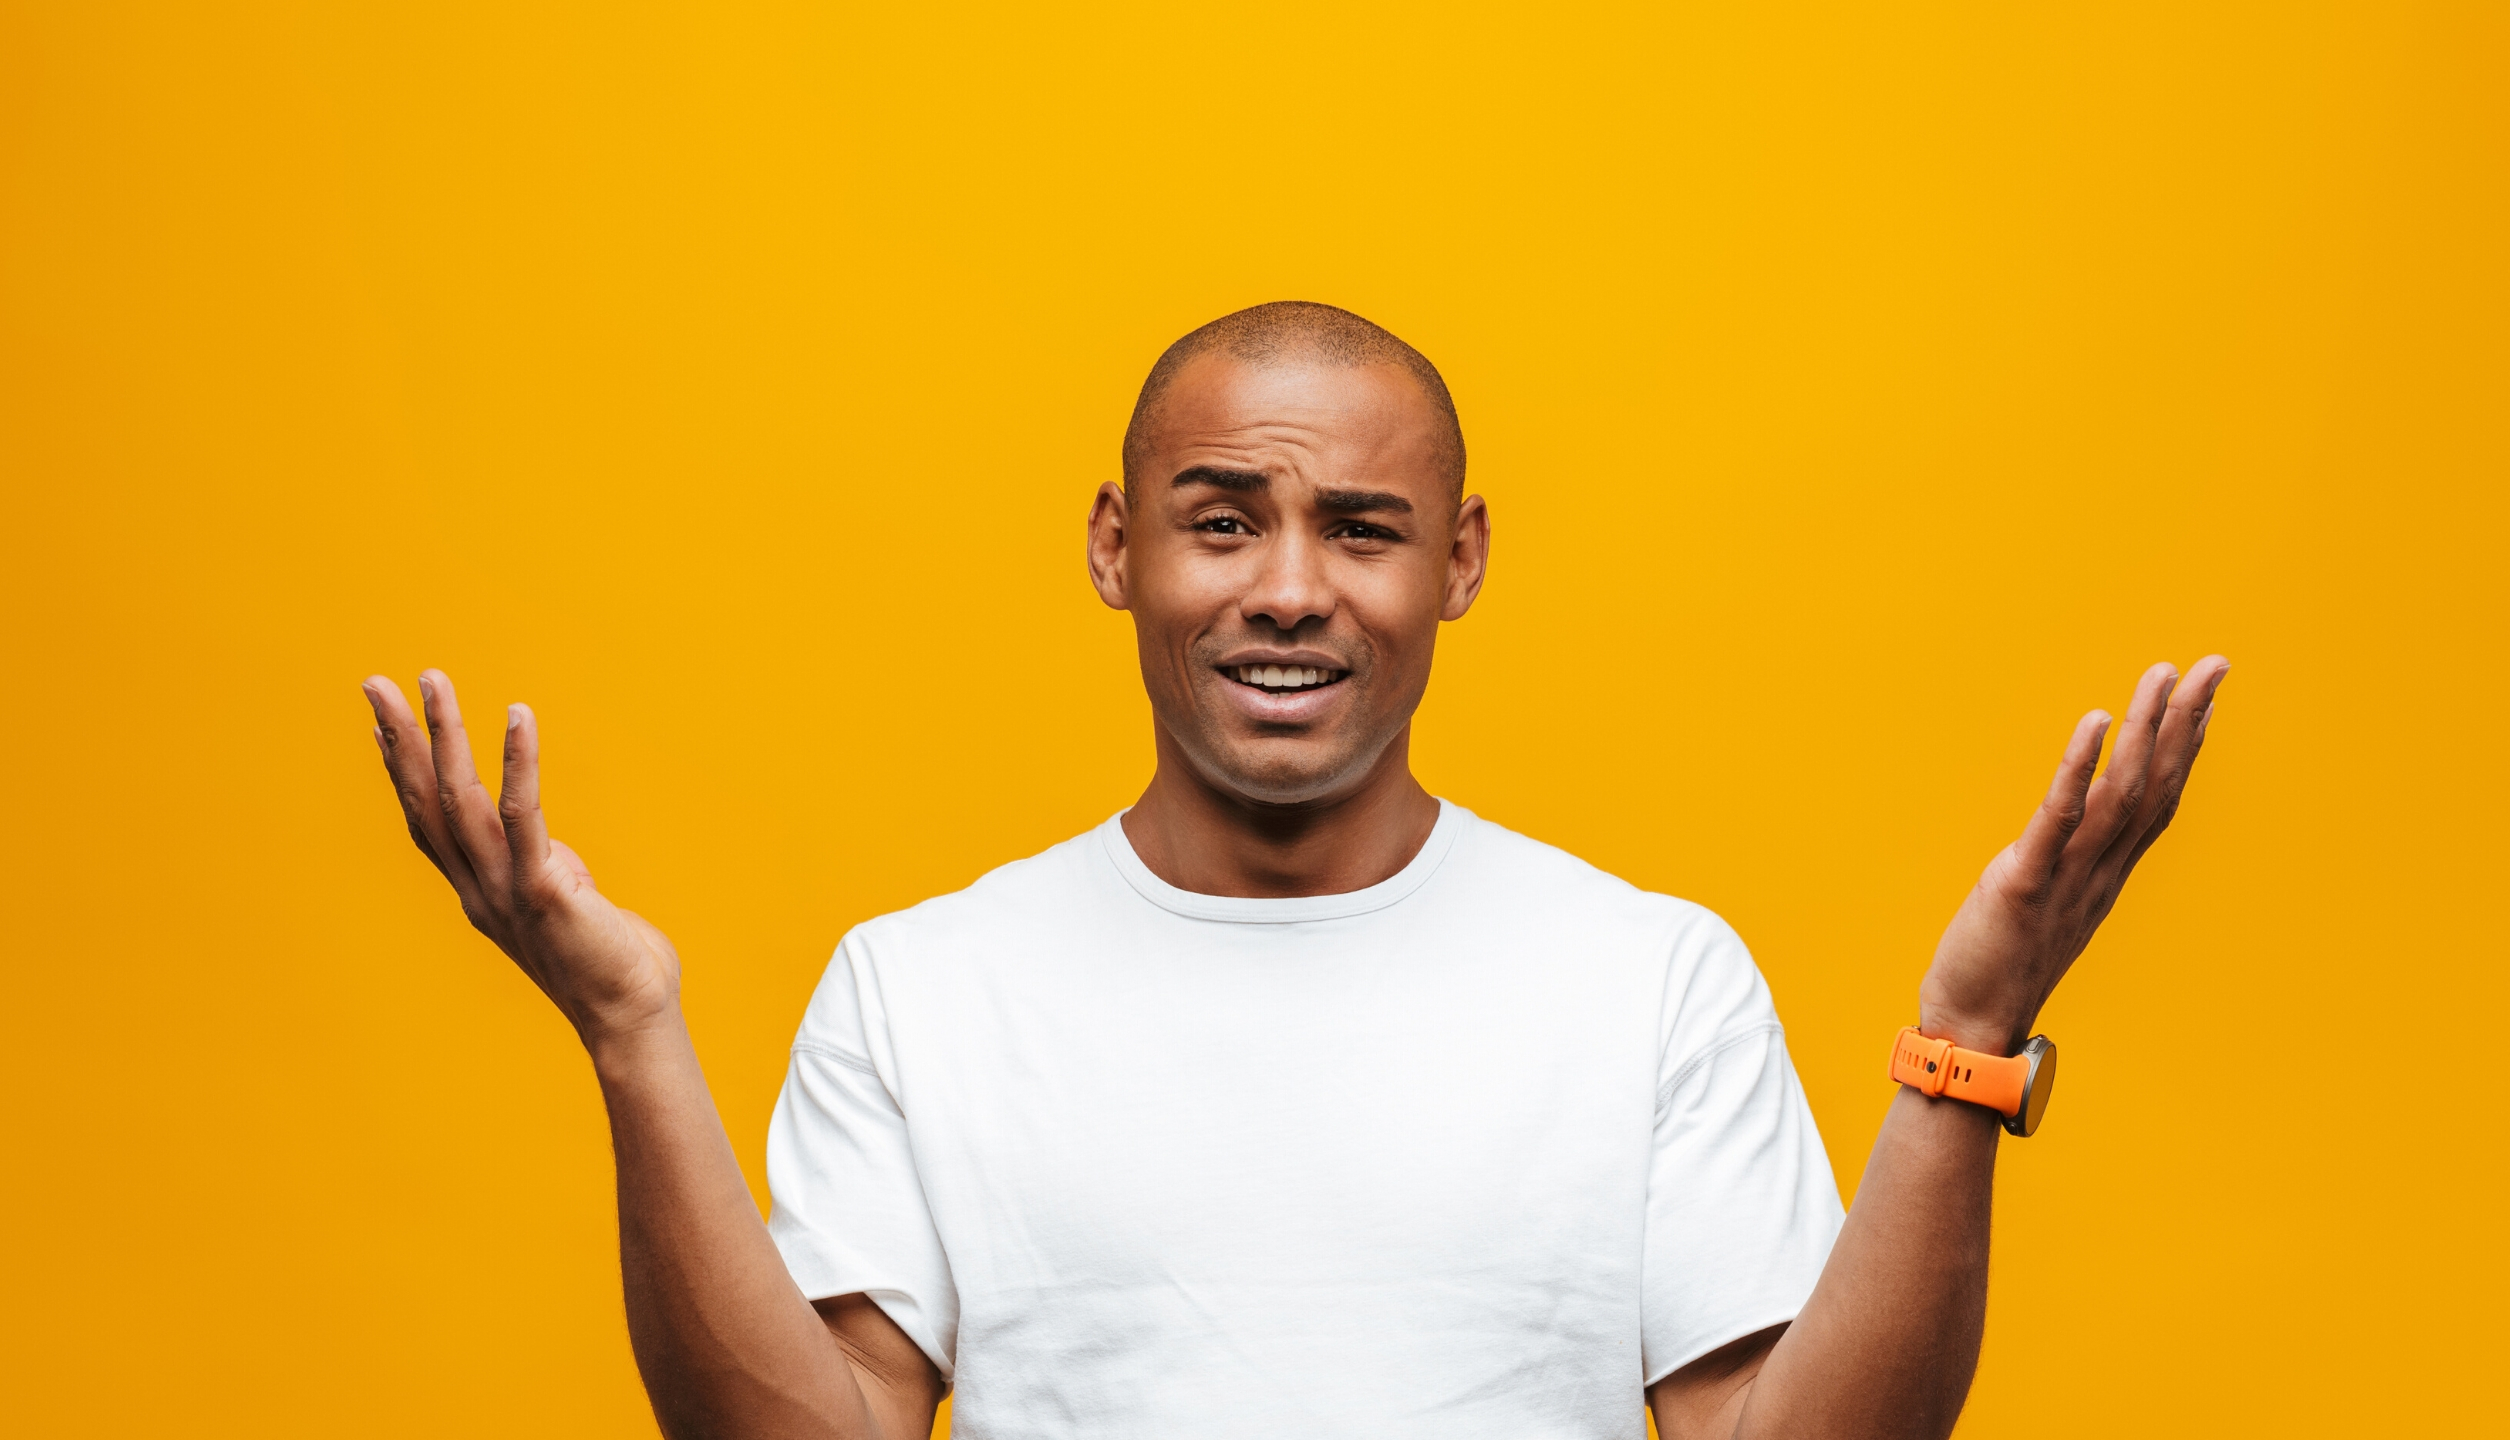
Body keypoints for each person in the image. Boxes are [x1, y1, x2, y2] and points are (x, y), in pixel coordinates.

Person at [360, 301, 2227, 1440]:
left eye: (1362, 527)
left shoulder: (1649, 974)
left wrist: (1971, 1038)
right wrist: (629, 1030)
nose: (1285, 587)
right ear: (1116, 547)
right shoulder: (922, 985)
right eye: (1221, 518)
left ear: (1462, 564)